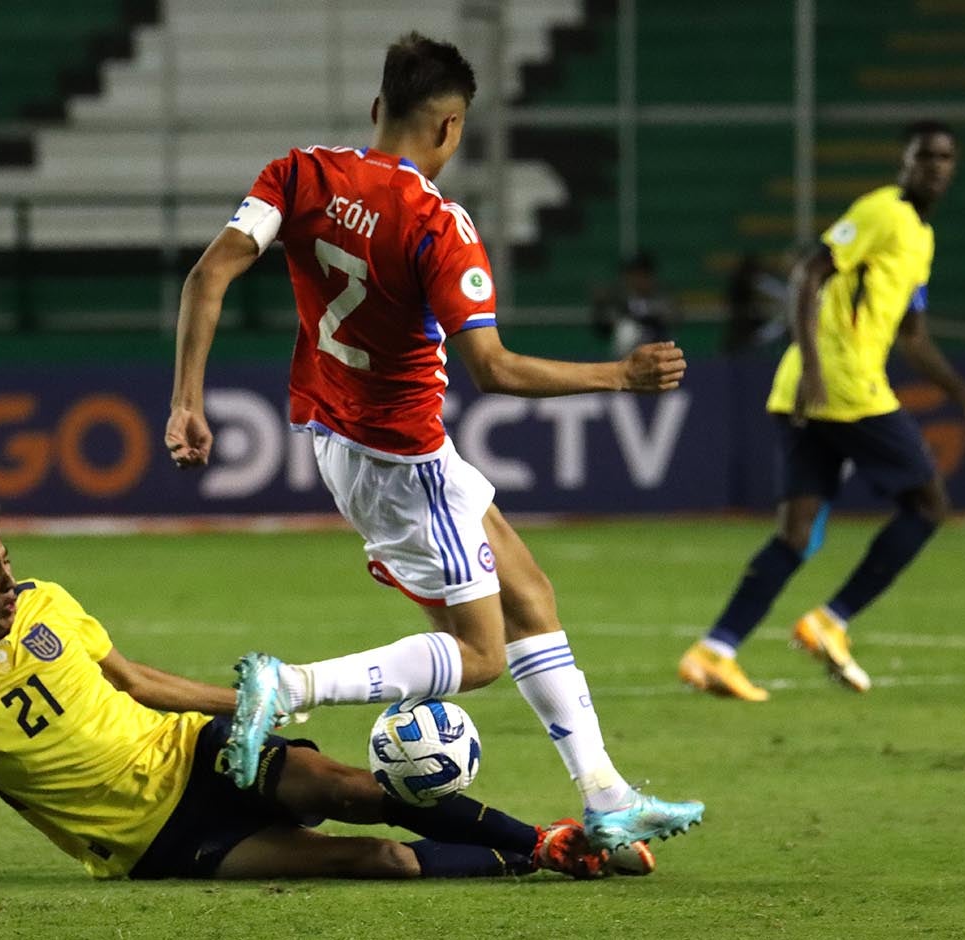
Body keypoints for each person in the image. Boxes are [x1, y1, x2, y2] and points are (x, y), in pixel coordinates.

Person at [164, 31, 703, 852]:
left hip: (340, 437)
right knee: (480, 655)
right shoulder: (436, 225)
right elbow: (494, 368)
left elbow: (209, 273)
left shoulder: (299, 173)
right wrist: (618, 377)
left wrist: (186, 403)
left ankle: (605, 794)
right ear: (451, 129)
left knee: (529, 596)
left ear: (379, 109)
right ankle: (288, 684)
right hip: (401, 457)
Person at [0, 503, 643, 885]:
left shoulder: (50, 604)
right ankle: (523, 861)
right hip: (153, 841)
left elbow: (135, 680)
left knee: (347, 789)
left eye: (7, 562)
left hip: (190, 747)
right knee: (379, 864)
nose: (8, 581)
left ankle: (551, 842)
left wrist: (254, 707)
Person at [678, 121, 965, 701]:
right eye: (924, 155)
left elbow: (914, 336)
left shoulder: (920, 238)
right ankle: (829, 621)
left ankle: (714, 652)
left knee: (797, 534)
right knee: (929, 505)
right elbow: (810, 271)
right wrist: (812, 364)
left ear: (955, 168)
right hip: (842, 385)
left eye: (945, 157)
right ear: (903, 163)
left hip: (812, 391)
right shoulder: (883, 211)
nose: (935, 165)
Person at [591, 251, 680, 357]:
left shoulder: (661, 296)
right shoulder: (619, 297)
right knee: (627, 330)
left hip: (656, 347)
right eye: (633, 274)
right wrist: (601, 305)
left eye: (642, 274)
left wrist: (650, 316)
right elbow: (604, 323)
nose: (637, 279)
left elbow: (673, 318)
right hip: (628, 353)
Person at [721, 252, 788, 356]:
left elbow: (761, 284)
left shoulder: (755, 282)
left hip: (754, 324)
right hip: (746, 327)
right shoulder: (739, 286)